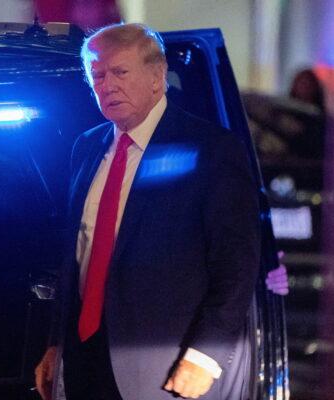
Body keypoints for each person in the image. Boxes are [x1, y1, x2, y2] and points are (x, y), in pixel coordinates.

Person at [35, 23, 263, 400]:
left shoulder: (210, 149)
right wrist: (56, 344)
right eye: (97, 75)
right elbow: (74, 256)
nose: (106, 85)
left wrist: (206, 355)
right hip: (84, 356)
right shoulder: (87, 148)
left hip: (164, 360)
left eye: (120, 72)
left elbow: (237, 263)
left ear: (158, 76)